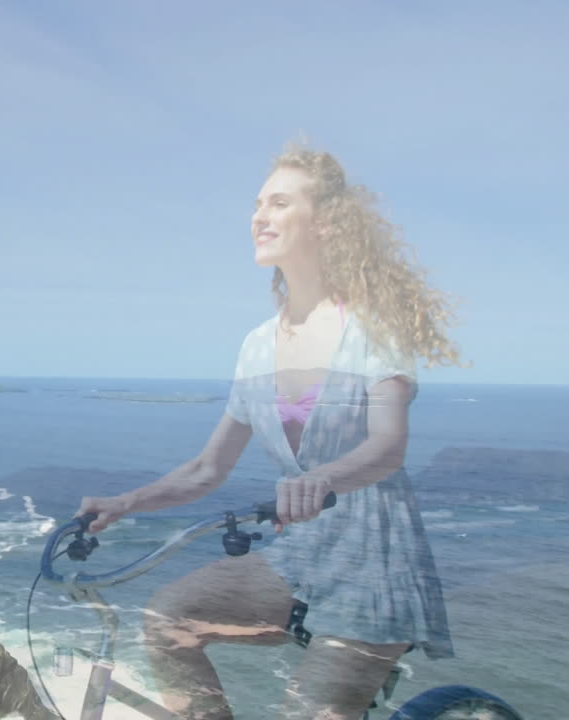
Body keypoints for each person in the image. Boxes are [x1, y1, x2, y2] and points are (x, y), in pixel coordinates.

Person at [76, 143, 467, 720]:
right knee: (166, 619)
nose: (258, 216)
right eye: (257, 203)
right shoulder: (257, 344)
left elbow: (388, 446)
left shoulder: (373, 326)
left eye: (279, 203)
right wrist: (124, 502)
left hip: (373, 567)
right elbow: (208, 469)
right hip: (299, 559)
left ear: (328, 222)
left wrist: (324, 476)